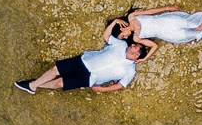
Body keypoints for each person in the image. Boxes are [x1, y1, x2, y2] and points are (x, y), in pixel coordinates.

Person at [18, 34, 155, 93]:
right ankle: (32, 85)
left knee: (60, 83)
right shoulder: (120, 45)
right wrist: (115, 23)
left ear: (137, 54)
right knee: (56, 70)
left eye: (135, 46)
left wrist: (103, 89)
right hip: (83, 61)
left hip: (90, 78)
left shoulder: (130, 71)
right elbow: (106, 36)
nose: (132, 45)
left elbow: (121, 85)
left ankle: (34, 85)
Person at [121, 4, 202, 43]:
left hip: (166, 20)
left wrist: (168, 7)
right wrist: (144, 58)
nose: (126, 37)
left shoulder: (131, 16)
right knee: (200, 34)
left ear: (121, 28)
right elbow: (154, 46)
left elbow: (150, 11)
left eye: (122, 36)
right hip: (169, 34)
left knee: (196, 24)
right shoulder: (136, 38)